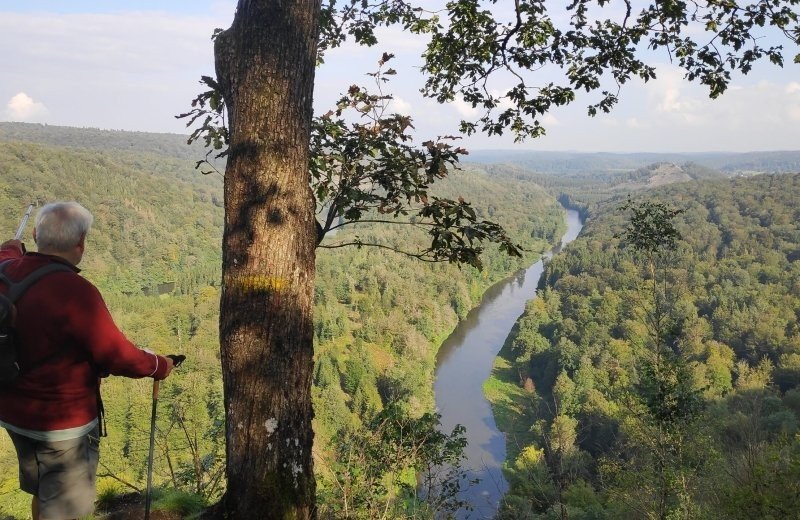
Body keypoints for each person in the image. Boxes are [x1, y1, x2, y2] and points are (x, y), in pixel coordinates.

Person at [0, 202, 175, 520]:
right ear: (80, 243)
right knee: (64, 510)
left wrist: (10, 248)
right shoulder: (76, 292)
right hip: (63, 428)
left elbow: (7, 255)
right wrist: (160, 365)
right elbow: (119, 357)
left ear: (35, 234)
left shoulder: (5, 271)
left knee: (42, 492)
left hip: (13, 414)